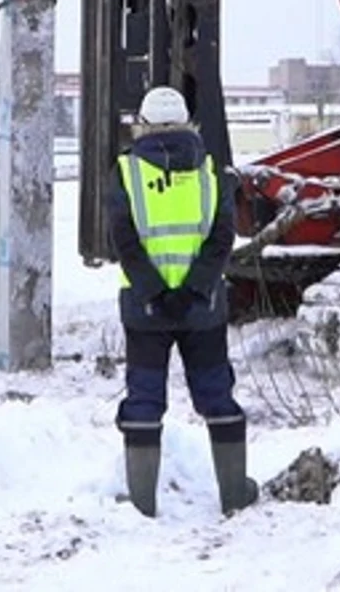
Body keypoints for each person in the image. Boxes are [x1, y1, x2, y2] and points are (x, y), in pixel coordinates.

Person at [107, 85, 259, 519]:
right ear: (189, 124)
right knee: (216, 396)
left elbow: (123, 240)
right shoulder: (212, 174)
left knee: (144, 400)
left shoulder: (127, 173)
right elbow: (221, 238)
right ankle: (234, 494)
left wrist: (156, 293)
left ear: (143, 124)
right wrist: (194, 289)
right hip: (203, 308)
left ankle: (140, 504)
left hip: (145, 310)